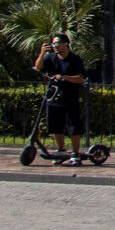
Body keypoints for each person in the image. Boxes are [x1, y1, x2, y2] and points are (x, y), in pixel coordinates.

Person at [34, 34, 89, 164]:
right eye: (53, 44)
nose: (55, 46)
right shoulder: (50, 58)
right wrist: (42, 53)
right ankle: (61, 151)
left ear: (65, 44)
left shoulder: (74, 60)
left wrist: (64, 77)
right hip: (54, 97)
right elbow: (38, 67)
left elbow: (81, 78)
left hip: (70, 97)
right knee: (55, 126)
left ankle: (75, 153)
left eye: (57, 43)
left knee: (73, 126)